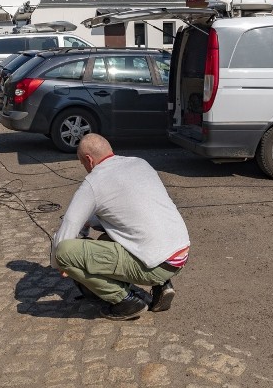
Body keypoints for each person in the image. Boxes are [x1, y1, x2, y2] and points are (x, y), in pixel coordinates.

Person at [51, 134, 190, 321]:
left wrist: (59, 264)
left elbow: (68, 228)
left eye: (82, 163)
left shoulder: (94, 181)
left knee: (64, 252)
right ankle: (162, 285)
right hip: (178, 253)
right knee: (106, 240)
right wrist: (91, 222)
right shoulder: (139, 163)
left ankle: (126, 301)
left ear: (88, 160)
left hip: (157, 264)